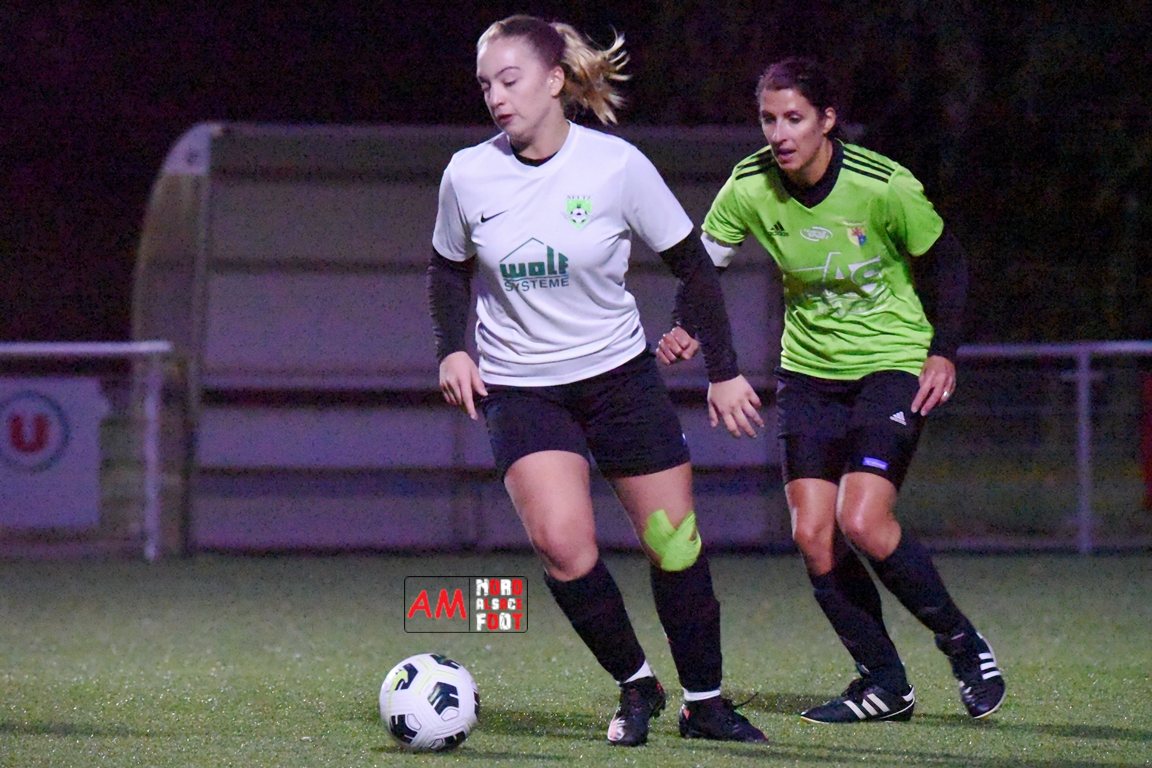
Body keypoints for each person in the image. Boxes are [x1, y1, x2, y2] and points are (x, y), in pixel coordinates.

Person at [427, 15, 767, 746]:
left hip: (618, 379)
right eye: (485, 85)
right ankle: (637, 684)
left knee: (673, 542)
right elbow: (447, 269)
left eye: (510, 80)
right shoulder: (467, 174)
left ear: (555, 80)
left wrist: (725, 371)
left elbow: (695, 268)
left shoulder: (616, 166)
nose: (496, 97)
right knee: (562, 546)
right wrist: (452, 350)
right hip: (522, 389)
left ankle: (705, 703)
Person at [657, 56, 1006, 723]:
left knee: (863, 521)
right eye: (769, 119)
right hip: (810, 375)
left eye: (794, 119)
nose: (780, 134)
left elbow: (949, 262)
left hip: (890, 363)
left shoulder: (883, 185)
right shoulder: (750, 184)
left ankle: (964, 644)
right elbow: (702, 271)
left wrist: (944, 352)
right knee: (814, 534)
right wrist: (684, 327)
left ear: (826, 120)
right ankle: (885, 684)